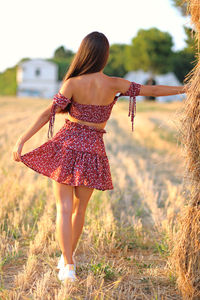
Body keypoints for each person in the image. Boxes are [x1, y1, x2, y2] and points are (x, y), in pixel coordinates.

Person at [12, 31, 186, 284]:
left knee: (64, 207)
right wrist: (187, 88)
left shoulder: (72, 83)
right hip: (93, 149)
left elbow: (46, 114)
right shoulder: (114, 84)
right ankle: (68, 259)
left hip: (66, 145)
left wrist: (22, 139)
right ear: (104, 56)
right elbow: (154, 89)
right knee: (80, 209)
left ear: (83, 53)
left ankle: (68, 264)